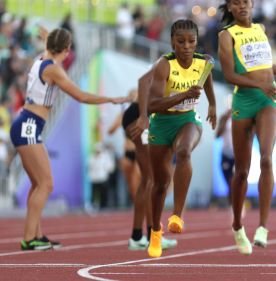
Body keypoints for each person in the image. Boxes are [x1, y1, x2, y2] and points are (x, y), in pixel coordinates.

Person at [9, 28, 128, 250]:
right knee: (45, 184)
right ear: (67, 49)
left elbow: (49, 45)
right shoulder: (54, 69)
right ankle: (29, 238)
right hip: (28, 125)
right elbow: (80, 95)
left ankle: (36, 234)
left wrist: (48, 37)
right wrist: (110, 99)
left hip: (28, 124)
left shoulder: (41, 57)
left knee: (39, 183)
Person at [217, 0, 276, 255]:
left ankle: (263, 227)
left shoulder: (260, 29)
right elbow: (229, 75)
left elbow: (264, 67)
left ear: (252, 4)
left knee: (267, 160)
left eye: (246, 1)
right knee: (242, 171)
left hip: (268, 99)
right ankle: (237, 225)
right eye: (236, 3)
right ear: (231, 8)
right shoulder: (227, 36)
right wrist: (260, 86)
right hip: (244, 101)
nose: (242, 6)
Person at [146, 19, 217, 258]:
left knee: (184, 151)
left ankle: (177, 215)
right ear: (172, 43)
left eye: (191, 41)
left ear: (197, 42)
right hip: (161, 122)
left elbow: (207, 80)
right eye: (181, 42)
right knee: (159, 185)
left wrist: (214, 105)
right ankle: (156, 232)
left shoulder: (203, 62)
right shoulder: (163, 65)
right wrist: (184, 94)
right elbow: (152, 105)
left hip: (188, 119)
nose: (187, 46)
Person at [108, 84, 177, 251]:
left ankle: (138, 236)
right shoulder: (172, 74)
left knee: (147, 181)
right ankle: (152, 235)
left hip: (138, 116)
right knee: (151, 181)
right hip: (140, 117)